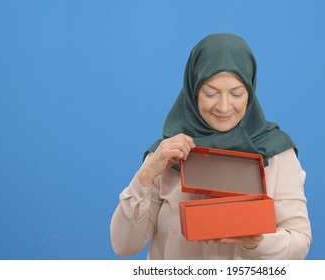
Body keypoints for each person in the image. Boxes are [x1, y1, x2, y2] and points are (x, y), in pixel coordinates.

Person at [110, 33, 312, 259]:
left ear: (250, 92)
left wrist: (258, 242)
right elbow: (123, 245)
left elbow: (299, 241)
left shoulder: (275, 152)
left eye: (236, 93)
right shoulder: (168, 155)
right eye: (211, 93)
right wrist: (146, 174)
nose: (224, 107)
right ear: (193, 90)